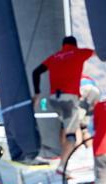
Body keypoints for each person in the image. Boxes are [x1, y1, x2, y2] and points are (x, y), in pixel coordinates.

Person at [32, 36, 94, 167]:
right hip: (69, 100)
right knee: (72, 133)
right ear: (75, 45)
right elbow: (100, 52)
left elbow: (35, 72)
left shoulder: (54, 56)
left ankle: (65, 158)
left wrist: (37, 93)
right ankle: (64, 165)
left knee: (64, 126)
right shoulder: (79, 53)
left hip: (54, 100)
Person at [79, 74, 101, 146]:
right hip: (96, 92)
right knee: (84, 128)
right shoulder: (87, 77)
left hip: (84, 90)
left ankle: (76, 150)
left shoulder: (74, 75)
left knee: (75, 126)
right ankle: (89, 147)